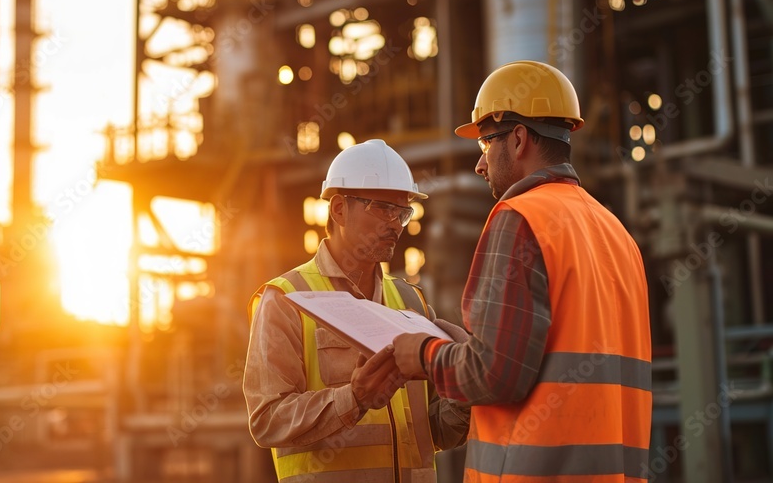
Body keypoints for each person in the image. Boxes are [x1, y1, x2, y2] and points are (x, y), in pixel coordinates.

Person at [392, 60, 652, 481]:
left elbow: (495, 375)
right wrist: (472, 346)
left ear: (517, 139)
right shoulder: (616, 232)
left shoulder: (520, 217)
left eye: (484, 145)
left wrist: (423, 354)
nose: (479, 166)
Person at [244, 139, 471, 483]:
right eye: (382, 208)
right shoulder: (287, 299)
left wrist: (467, 391)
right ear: (338, 210)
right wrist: (353, 399)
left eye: (402, 211)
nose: (397, 224)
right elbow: (267, 420)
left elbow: (432, 432)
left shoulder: (411, 301)